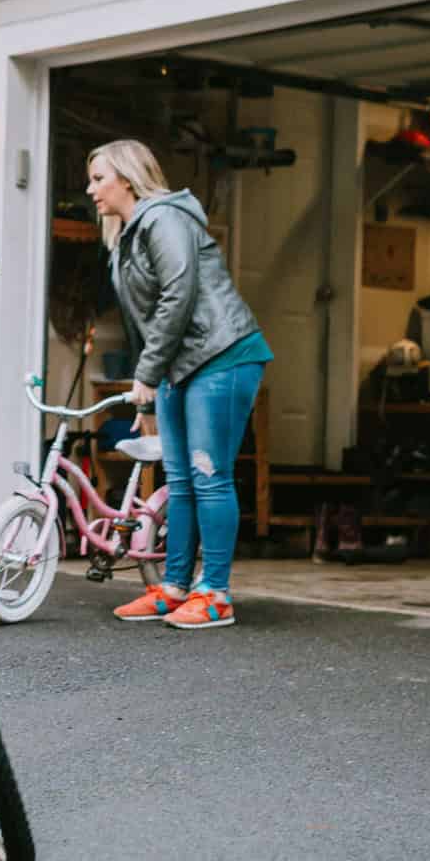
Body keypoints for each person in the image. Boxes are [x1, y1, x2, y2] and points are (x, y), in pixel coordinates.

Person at [87, 139, 274, 630]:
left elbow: (179, 293)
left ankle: (215, 593)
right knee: (180, 479)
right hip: (180, 363)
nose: (91, 190)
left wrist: (147, 374)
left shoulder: (164, 217)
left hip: (222, 354)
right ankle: (174, 587)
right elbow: (146, 320)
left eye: (98, 178)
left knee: (209, 474)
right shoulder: (125, 237)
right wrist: (154, 380)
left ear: (127, 178)